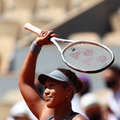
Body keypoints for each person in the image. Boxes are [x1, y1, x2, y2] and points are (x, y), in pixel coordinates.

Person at [18, 30, 88, 120]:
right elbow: (25, 83)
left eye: (51, 86)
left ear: (68, 91)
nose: (46, 91)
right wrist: (36, 45)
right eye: (45, 87)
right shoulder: (46, 114)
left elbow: (25, 83)